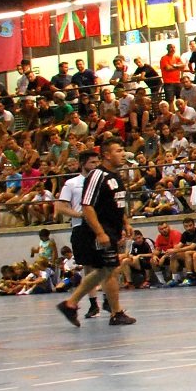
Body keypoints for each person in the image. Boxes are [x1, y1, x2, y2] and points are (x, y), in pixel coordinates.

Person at [54, 140, 136, 328]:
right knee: (108, 269)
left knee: (104, 270)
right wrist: (100, 232)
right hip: (100, 230)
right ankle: (115, 312)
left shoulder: (115, 175)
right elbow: (87, 206)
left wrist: (125, 222)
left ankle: (71, 304)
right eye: (119, 149)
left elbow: (116, 203)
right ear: (107, 155)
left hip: (113, 230)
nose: (123, 153)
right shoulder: (97, 175)